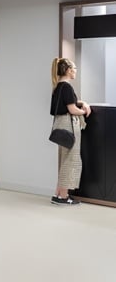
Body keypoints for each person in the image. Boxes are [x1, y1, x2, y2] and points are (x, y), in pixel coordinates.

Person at [50, 58, 91, 205]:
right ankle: (63, 197)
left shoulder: (58, 86)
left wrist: (82, 103)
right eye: (74, 68)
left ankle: (58, 194)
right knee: (71, 160)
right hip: (69, 126)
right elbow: (72, 109)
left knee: (64, 159)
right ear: (68, 70)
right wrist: (84, 111)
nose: (75, 71)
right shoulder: (66, 87)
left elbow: (70, 102)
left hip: (61, 125)